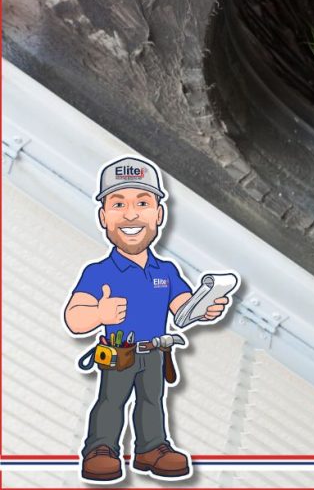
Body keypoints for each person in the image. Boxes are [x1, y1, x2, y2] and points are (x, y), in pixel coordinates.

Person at [64, 156, 233, 483]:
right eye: (118, 204)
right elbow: (75, 316)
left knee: (152, 401)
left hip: (156, 352)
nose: (130, 214)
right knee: (112, 401)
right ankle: (101, 449)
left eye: (142, 203)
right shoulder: (99, 272)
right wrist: (99, 313)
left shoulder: (166, 272)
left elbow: (182, 307)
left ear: (158, 214)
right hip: (118, 352)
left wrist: (204, 306)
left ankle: (151, 448)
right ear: (103, 216)